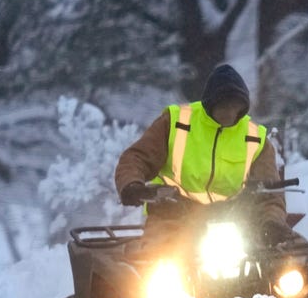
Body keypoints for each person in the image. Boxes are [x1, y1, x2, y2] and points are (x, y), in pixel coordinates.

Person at [114, 63, 298, 246]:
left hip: (237, 226)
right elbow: (137, 158)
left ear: (243, 107)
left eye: (235, 106)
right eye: (223, 105)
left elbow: (270, 194)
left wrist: (272, 223)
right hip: (171, 219)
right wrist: (132, 185)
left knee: (292, 263)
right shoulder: (176, 122)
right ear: (210, 103)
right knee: (152, 267)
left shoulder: (255, 138)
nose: (229, 111)